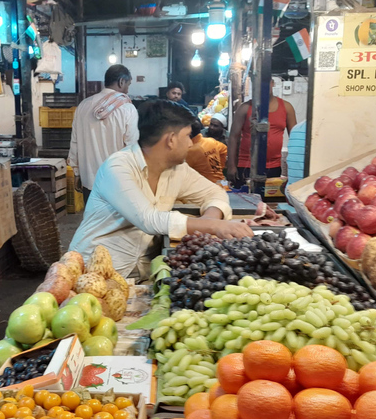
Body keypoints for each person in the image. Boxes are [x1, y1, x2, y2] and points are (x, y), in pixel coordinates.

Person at [70, 100, 253, 279]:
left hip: (142, 275)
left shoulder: (177, 169)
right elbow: (149, 219)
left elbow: (214, 193)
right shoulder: (118, 167)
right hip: (92, 273)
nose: (190, 144)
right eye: (188, 135)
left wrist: (210, 218)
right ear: (171, 140)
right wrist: (214, 226)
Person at [68, 64, 138, 203]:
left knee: (93, 222)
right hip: (117, 183)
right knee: (117, 224)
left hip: (89, 182)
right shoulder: (127, 108)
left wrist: (77, 173)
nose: (127, 90)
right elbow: (132, 147)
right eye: (128, 85)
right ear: (121, 82)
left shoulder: (83, 105)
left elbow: (74, 143)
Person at [226, 79, 297, 186]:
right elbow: (233, 137)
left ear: (272, 84)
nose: (262, 88)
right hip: (246, 165)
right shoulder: (245, 108)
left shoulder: (287, 107)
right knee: (246, 199)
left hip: (274, 166)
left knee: (269, 201)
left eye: (265, 84)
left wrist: (294, 167)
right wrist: (231, 165)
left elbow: (295, 138)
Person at [186, 119, 228, 184]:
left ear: (189, 133)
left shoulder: (191, 151)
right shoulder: (210, 141)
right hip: (222, 183)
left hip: (207, 187)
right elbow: (224, 150)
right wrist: (219, 169)